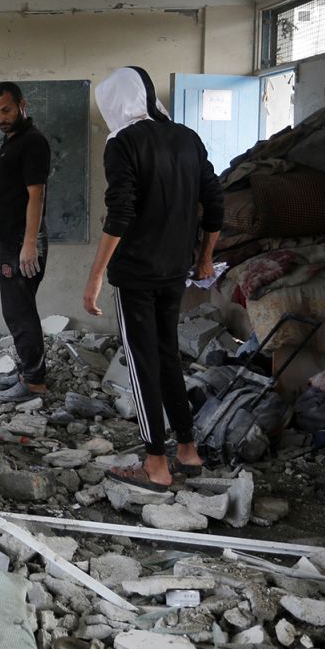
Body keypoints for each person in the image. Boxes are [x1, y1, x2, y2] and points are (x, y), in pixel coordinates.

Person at [82, 66, 224, 490]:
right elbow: (214, 204)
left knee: (143, 361)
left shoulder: (122, 143)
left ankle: (155, 464)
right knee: (166, 358)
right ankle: (187, 448)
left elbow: (121, 213)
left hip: (137, 272)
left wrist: (95, 277)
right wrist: (204, 259)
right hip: (175, 270)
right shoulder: (187, 138)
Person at [0, 81, 51, 402]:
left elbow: (36, 195)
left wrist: (29, 243)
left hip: (21, 241)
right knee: (17, 309)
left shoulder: (32, 142)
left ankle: (34, 383)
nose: (1, 117)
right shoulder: (12, 141)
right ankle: (28, 373)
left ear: (22, 105)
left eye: (7, 110)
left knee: (18, 310)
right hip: (10, 239)